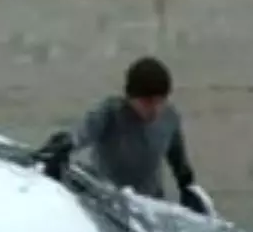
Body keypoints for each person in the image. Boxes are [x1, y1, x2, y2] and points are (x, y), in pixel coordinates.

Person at [40, 57, 215, 216]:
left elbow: (177, 157)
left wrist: (187, 185)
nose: (154, 109)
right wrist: (64, 145)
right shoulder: (110, 112)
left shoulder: (169, 117)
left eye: (159, 101)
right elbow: (82, 132)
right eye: (147, 102)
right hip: (108, 204)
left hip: (149, 205)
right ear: (131, 98)